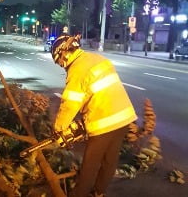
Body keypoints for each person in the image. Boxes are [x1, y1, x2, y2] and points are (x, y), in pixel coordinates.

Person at [51, 34, 137, 197]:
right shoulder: (96, 58)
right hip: (124, 116)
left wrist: (59, 129)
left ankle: (79, 194)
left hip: (105, 122)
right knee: (109, 160)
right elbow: (96, 93)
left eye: (59, 60)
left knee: (90, 164)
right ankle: (99, 192)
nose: (61, 65)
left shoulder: (77, 68)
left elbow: (70, 104)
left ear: (65, 53)